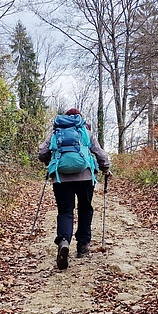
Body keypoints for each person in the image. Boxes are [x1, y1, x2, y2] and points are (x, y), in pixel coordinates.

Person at [38, 108, 112, 270]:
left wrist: (49, 162)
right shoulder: (85, 131)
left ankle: (64, 241)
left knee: (65, 211)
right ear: (79, 118)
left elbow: (42, 151)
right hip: (85, 177)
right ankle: (83, 246)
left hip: (60, 177)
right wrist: (105, 169)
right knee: (85, 208)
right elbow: (100, 153)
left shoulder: (56, 131)